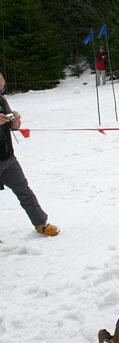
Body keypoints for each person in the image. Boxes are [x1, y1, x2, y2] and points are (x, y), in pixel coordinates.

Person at [0, 72, 59, 236]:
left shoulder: (2, 101)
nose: (1, 92)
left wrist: (15, 120)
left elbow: (13, 127)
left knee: (24, 191)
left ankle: (41, 223)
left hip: (7, 158)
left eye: (2, 89)